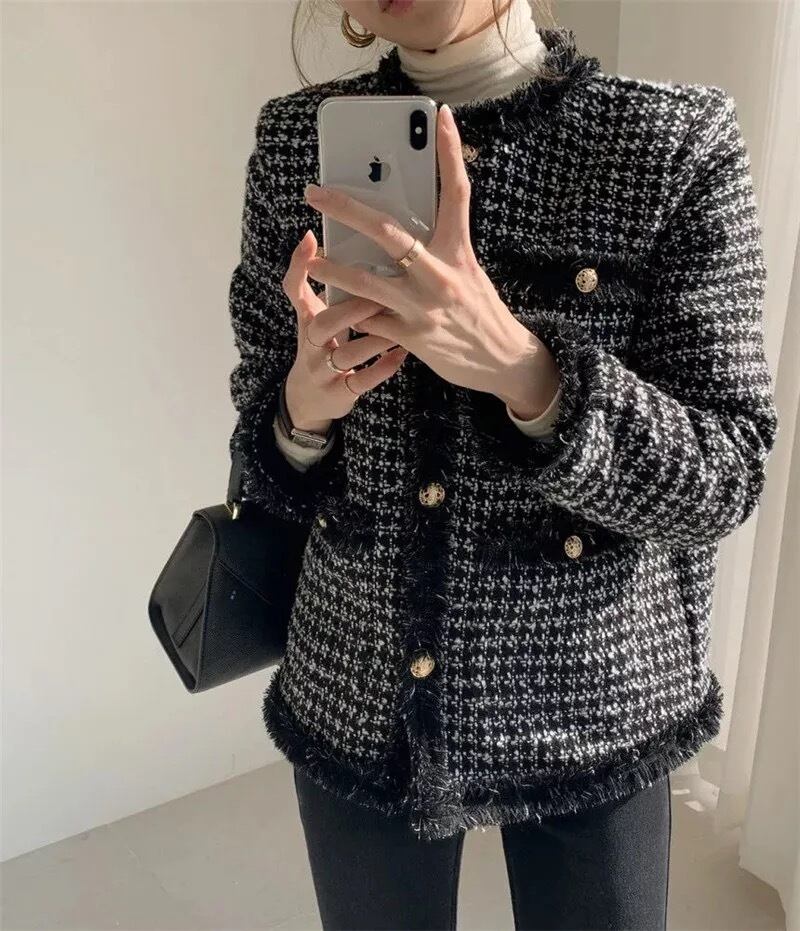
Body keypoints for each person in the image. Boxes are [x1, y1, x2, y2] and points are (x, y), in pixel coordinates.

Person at [226, 0, 779, 927]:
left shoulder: (672, 143)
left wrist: (526, 371)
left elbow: (724, 472)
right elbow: (260, 428)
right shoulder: (297, 146)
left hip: (598, 696)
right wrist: (303, 409)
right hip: (356, 687)